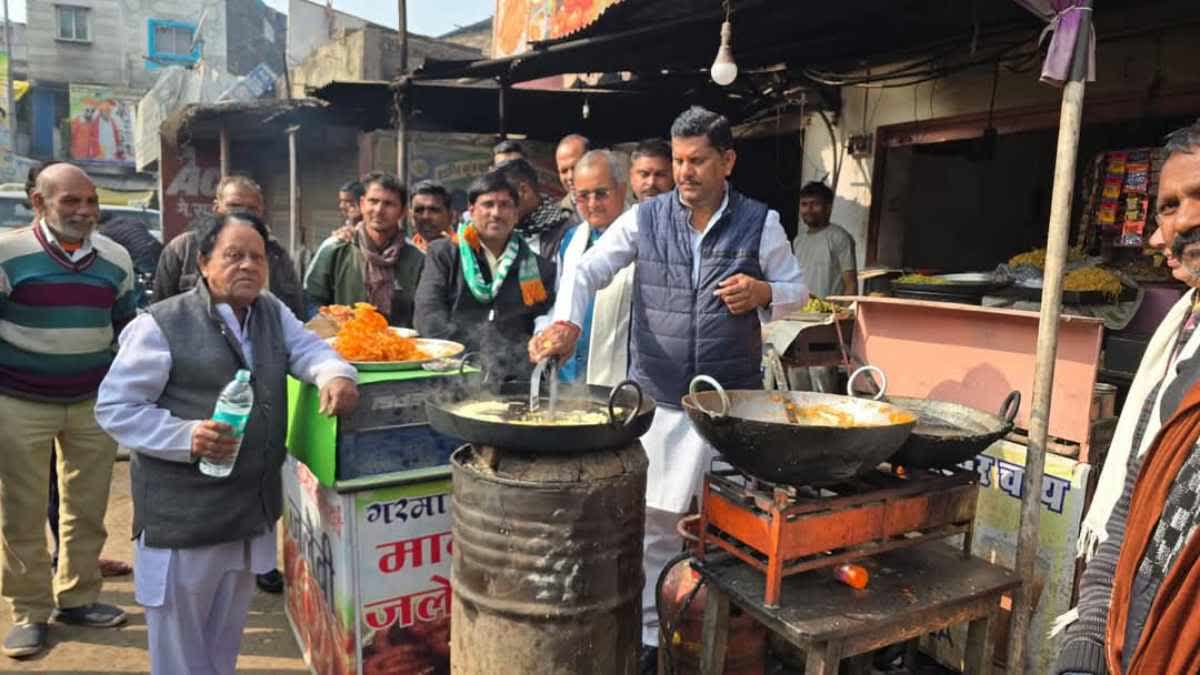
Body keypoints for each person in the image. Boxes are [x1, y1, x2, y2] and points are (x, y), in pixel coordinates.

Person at [530, 106, 807, 674]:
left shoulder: (761, 222)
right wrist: (568, 321)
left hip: (730, 402)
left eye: (697, 160)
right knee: (656, 527)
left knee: (726, 523)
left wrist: (762, 293)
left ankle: (722, 634)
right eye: (678, 160)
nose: (685, 172)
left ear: (726, 161)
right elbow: (587, 271)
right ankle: (655, 644)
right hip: (659, 400)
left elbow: (800, 293)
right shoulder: (646, 219)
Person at [95, 211, 359, 675]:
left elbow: (308, 349)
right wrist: (186, 436)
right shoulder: (162, 324)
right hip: (185, 520)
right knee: (180, 645)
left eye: (256, 257)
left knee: (223, 639)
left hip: (246, 511)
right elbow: (116, 407)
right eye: (233, 256)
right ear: (203, 262)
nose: (248, 267)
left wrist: (334, 373)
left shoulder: (271, 311)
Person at [1054, 121, 1200, 675]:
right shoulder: (1185, 344)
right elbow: (1135, 506)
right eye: (1168, 205)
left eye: (1199, 196)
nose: (1181, 221)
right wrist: (1086, 649)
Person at [0, 163, 137, 658]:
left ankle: (78, 598)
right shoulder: (7, 253)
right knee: (22, 509)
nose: (84, 212)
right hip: (18, 401)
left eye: (91, 201)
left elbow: (127, 330)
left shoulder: (115, 258)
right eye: (70, 202)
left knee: (86, 505)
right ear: (38, 203)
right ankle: (29, 611)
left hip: (92, 401)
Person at [415, 171, 555, 382]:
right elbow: (429, 314)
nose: (496, 213)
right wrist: (470, 363)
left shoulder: (539, 268)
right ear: (471, 211)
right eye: (487, 204)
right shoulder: (444, 254)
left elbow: (542, 325)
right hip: (453, 374)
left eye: (505, 205)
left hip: (514, 381)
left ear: (516, 213)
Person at [537, 149, 634, 386]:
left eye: (601, 194)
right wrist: (545, 334)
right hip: (569, 376)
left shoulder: (645, 237)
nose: (592, 204)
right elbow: (561, 302)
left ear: (622, 189)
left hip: (620, 377)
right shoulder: (570, 239)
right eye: (583, 196)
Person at [153, 175, 305, 319]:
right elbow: (161, 313)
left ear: (261, 212)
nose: (243, 213)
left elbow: (296, 312)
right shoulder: (182, 249)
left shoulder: (276, 253)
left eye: (252, 208)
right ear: (216, 208)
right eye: (234, 206)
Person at [304, 172, 425, 327]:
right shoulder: (335, 249)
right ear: (362, 204)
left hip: (399, 347)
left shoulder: (417, 258)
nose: (379, 210)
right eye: (373, 201)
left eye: (389, 204)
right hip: (343, 346)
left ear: (402, 212)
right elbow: (311, 300)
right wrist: (334, 327)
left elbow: (423, 311)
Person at [496, 158, 576, 259]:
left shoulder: (568, 231)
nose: (497, 210)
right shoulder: (499, 233)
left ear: (524, 190)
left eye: (503, 201)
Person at [792, 181, 857, 298]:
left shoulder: (840, 238)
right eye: (804, 204)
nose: (809, 209)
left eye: (815, 204)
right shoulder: (798, 241)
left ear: (828, 208)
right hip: (800, 312)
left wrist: (844, 314)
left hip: (829, 314)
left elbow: (851, 285)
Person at [409, 180, 457, 253]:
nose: (425, 217)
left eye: (434, 210)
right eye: (419, 210)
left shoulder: (466, 254)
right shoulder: (402, 254)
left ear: (451, 216)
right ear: (411, 216)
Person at [629, 138, 674, 203]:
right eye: (644, 174)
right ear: (631, 177)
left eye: (660, 175)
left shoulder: (690, 213)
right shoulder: (629, 213)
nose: (651, 183)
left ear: (673, 179)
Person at [556, 133, 590, 219]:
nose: (570, 176)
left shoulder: (617, 202)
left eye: (575, 167)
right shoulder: (557, 217)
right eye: (564, 171)